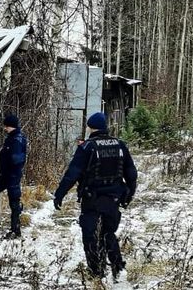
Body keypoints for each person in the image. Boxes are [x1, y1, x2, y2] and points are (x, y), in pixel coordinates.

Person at [53, 112, 137, 279]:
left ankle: (96, 272)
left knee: (90, 235)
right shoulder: (120, 145)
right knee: (108, 233)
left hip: (93, 198)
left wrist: (59, 194)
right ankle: (118, 268)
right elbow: (131, 173)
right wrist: (129, 193)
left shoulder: (87, 147)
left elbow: (73, 173)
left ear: (90, 127)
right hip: (113, 198)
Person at [0, 114, 28, 239]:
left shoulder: (17, 139)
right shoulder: (11, 137)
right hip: (6, 174)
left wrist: (10, 160)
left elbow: (17, 158)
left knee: (14, 202)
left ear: (11, 126)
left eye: (6, 126)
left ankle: (16, 230)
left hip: (13, 175)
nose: (4, 128)